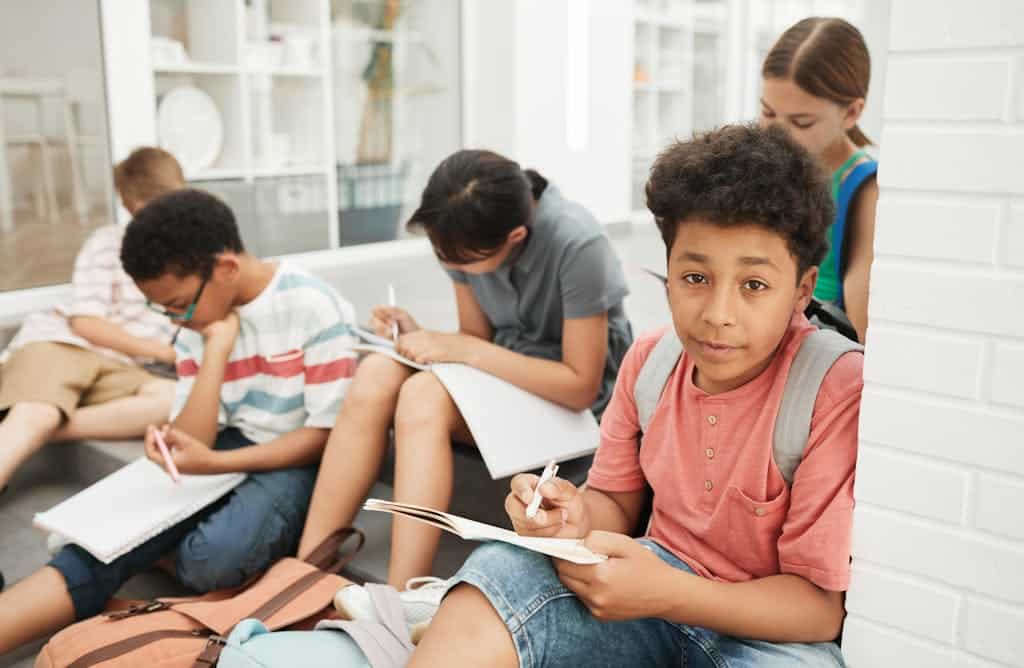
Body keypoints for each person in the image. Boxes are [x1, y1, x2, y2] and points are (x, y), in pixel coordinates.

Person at [409, 125, 864, 667]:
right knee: (500, 570)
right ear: (667, 274)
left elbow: (819, 610)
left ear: (803, 290)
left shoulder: (832, 387)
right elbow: (617, 504)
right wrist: (570, 517)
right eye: (695, 277)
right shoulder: (650, 360)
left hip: (769, 638)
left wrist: (670, 593)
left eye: (754, 285)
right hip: (647, 593)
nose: (718, 313)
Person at [0, 188, 358, 655]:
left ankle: (166, 549)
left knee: (214, 559)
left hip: (292, 456)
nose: (174, 318)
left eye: (179, 304)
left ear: (225, 269)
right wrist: (216, 348)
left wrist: (208, 462)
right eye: (162, 309)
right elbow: (194, 438)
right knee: (101, 543)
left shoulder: (313, 306)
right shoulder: (197, 325)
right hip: (223, 449)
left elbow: (324, 438)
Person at [298, 149, 633, 605]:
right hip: (507, 375)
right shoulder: (460, 237)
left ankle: (402, 600)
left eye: (463, 263)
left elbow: (580, 385)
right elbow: (475, 336)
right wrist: (421, 337)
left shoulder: (578, 243)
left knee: (421, 396)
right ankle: (305, 573)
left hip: (573, 401)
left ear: (515, 236)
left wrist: (466, 349)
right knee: (377, 371)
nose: (452, 266)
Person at [0, 147, 186, 495]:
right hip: (64, 344)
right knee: (35, 415)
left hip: (121, 367)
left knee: (174, 399)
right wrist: (161, 352)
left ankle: (43, 427)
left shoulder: (191, 254)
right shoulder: (107, 243)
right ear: (130, 204)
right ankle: (33, 423)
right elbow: (86, 323)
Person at [760, 17, 877, 342]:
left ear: (851, 113)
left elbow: (863, 322)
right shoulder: (769, 168)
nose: (778, 134)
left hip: (818, 348)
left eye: (801, 122)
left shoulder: (865, 187)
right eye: (768, 113)